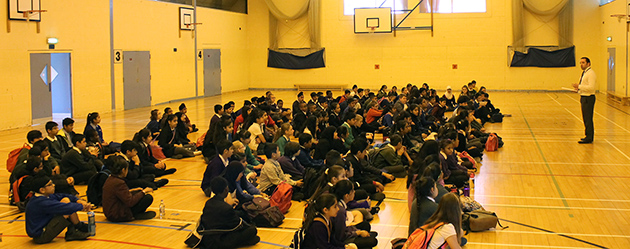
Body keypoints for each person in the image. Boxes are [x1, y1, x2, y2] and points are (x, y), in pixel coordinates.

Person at [25, 175, 92, 243]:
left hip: (43, 228)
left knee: (65, 200)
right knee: (66, 209)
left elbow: (63, 196)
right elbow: (65, 207)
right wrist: (82, 206)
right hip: (41, 236)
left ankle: (76, 227)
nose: (53, 185)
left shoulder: (44, 197)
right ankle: (76, 228)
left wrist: (78, 200)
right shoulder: (41, 202)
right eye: (50, 184)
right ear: (42, 190)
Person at [200, 177, 260, 249]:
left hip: (207, 239)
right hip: (221, 240)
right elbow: (237, 224)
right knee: (252, 230)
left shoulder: (208, 203)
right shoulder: (226, 208)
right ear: (225, 189)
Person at [102, 155, 156, 222]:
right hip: (117, 214)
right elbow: (130, 202)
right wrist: (144, 191)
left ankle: (135, 214)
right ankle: (134, 214)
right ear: (123, 170)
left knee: (137, 193)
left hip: (111, 212)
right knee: (147, 197)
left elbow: (119, 195)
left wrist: (132, 191)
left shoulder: (111, 179)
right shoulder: (119, 182)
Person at [331, 180, 378, 249]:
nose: (355, 192)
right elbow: (341, 236)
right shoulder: (340, 211)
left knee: (365, 225)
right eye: (352, 191)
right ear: (347, 196)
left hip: (344, 232)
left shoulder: (341, 205)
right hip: (341, 240)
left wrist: (357, 230)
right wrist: (357, 233)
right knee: (372, 241)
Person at [572, 57, 596, 144]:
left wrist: (579, 86)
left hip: (588, 98)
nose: (581, 64)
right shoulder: (585, 73)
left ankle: (589, 137)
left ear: (588, 64)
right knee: (585, 118)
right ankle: (587, 135)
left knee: (588, 118)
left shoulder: (591, 74)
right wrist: (578, 90)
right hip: (584, 97)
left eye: (583, 62)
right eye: (580, 63)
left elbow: (591, 88)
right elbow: (585, 86)